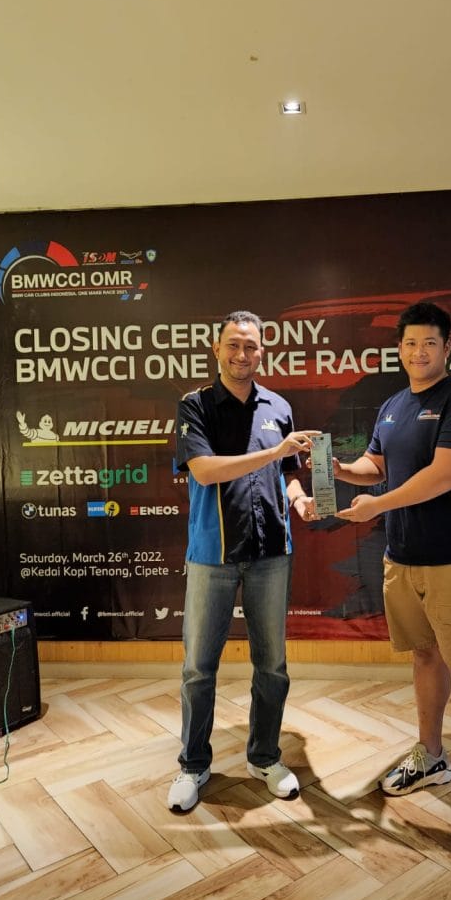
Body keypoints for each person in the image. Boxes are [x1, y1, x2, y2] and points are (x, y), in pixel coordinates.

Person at [335, 301, 451, 843]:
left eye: (429, 343)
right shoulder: (392, 406)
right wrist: (340, 470)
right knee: (425, 657)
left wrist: (377, 506)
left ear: (447, 347)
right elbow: (377, 467)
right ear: (400, 348)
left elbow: (446, 475)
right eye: (410, 343)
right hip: (403, 558)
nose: (418, 352)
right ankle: (431, 756)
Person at [167, 310, 320, 813]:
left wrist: (299, 499)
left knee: (272, 666)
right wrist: (274, 453)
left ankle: (265, 756)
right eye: (233, 344)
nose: (242, 354)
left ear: (261, 353)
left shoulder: (278, 406)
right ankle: (193, 765)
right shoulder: (194, 405)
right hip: (212, 554)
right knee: (198, 668)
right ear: (216, 349)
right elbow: (205, 471)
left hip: (271, 552)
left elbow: (289, 472)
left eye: (251, 346)